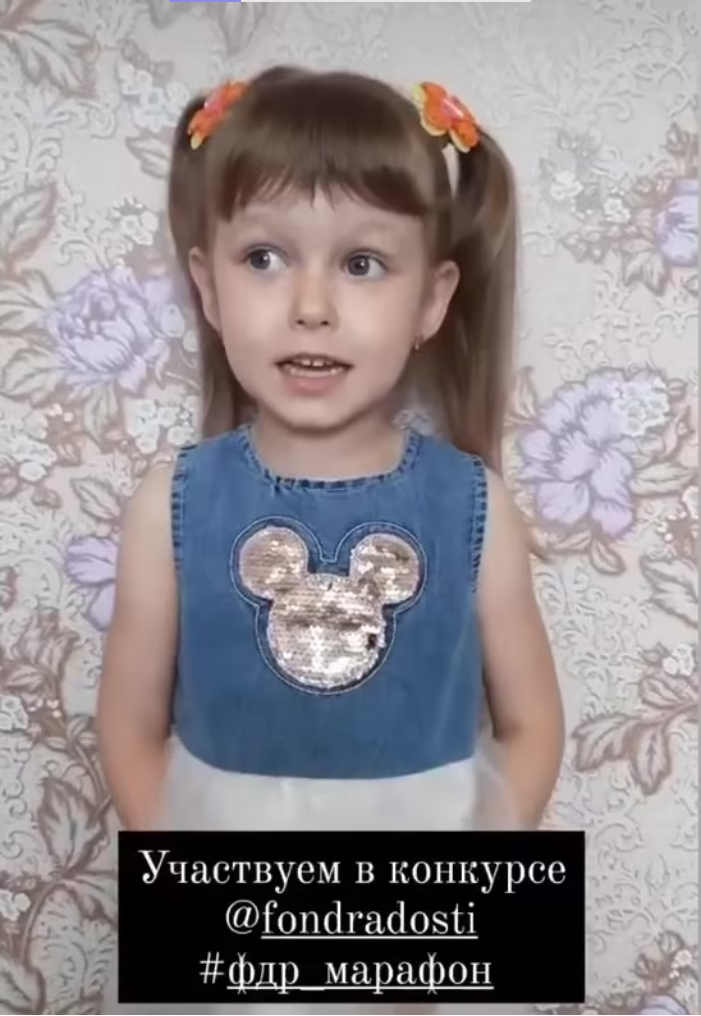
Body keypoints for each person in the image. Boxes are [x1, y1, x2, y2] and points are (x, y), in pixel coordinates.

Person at [97, 66, 564, 1015]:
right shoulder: (167, 505)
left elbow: (532, 726)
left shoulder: (474, 505)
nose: (310, 304)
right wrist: (189, 878)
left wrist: (469, 879)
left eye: (361, 264)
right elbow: (129, 727)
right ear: (208, 287)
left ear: (431, 299)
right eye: (265, 257)